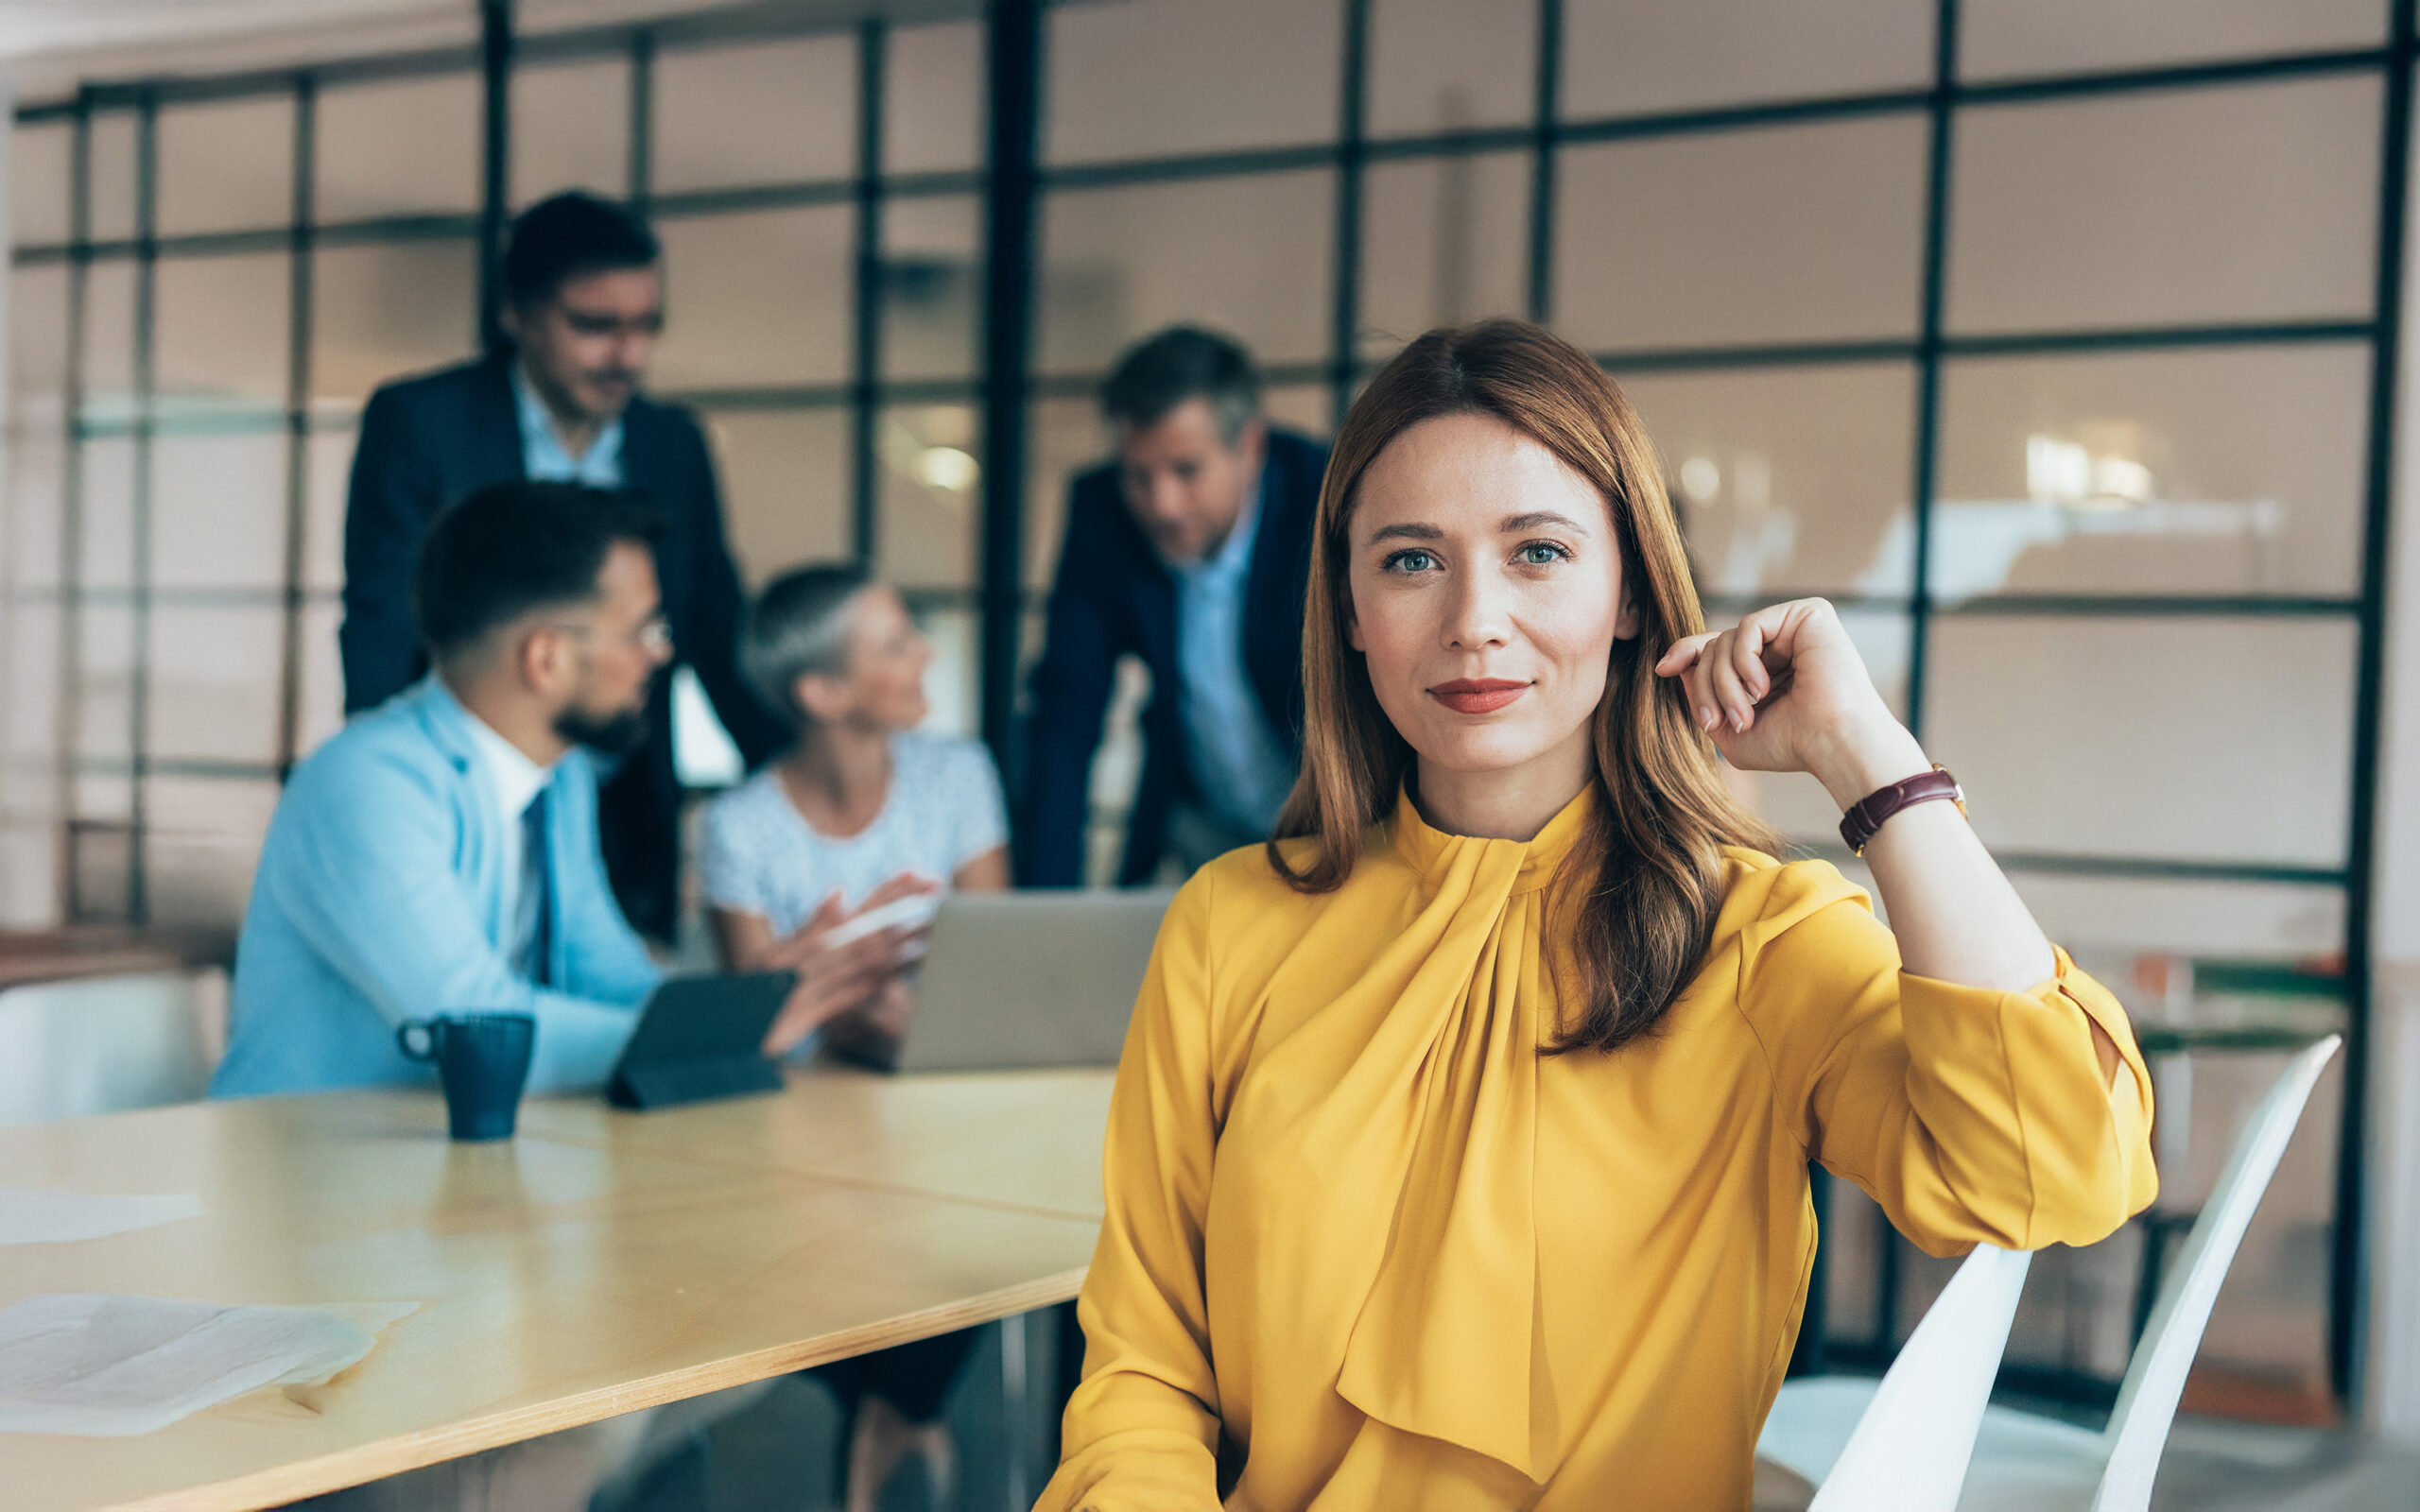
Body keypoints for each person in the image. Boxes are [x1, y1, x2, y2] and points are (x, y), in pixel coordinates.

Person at [1037, 320, 2157, 1512]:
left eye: (1538, 552)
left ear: (1629, 593)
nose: (1474, 618)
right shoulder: (1231, 922)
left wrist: (1864, 758)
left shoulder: (1757, 935)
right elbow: (1145, 1367)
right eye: (1411, 560)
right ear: (1350, 609)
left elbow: (2054, 1166)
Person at [212, 483, 893, 1099]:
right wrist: (717, 1039)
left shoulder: (559, 781)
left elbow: (608, 977)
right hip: (311, 1172)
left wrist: (750, 1007)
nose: (661, 654)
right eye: (644, 631)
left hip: (452, 1165)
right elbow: (472, 1025)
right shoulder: (366, 784)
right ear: (546, 657)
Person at [338, 189, 784, 942]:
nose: (628, 356)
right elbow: (384, 618)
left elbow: (712, 626)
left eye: (647, 326)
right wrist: (393, 795)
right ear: (517, 314)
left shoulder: (673, 443)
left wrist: (793, 783)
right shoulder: (422, 423)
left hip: (623, 803)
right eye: (594, 326)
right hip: (464, 791)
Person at [702, 563, 1009, 1512]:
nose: (922, 653)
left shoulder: (959, 774)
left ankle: (888, 1413)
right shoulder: (738, 824)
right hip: (801, 1137)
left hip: (945, 1114)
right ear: (821, 692)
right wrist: (863, 1008)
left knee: (966, 1202)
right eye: (893, 643)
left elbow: (986, 984)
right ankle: (900, 1416)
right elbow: (761, 1027)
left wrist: (844, 1000)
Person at [1021, 326, 1328, 886]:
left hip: (1340, 822)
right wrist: (1043, 911)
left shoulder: (1326, 491)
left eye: (1187, 470)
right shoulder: (1101, 512)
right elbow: (1066, 712)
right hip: (1202, 829)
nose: (1162, 505)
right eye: (1139, 475)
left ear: (1250, 447)